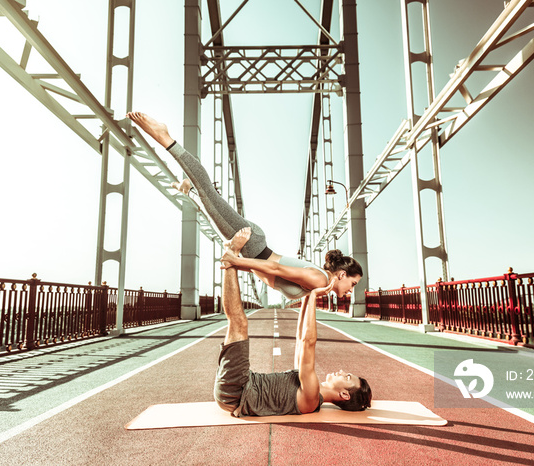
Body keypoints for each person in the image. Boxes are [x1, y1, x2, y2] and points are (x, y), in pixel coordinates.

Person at [126, 111, 363, 300]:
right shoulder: (320, 280)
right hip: (252, 244)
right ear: (342, 274)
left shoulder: (321, 285)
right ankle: (165, 138)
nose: (351, 291)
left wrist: (239, 263)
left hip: (254, 249)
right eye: (352, 284)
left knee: (209, 207)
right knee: (210, 195)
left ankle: (189, 190)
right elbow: (277, 271)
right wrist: (237, 261)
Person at [214, 228, 371, 416]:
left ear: (344, 394)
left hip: (237, 391)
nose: (341, 371)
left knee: (239, 323)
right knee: (238, 323)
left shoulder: (312, 397)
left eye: (347, 377)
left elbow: (308, 343)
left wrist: (313, 297)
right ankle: (231, 258)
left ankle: (230, 258)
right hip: (240, 386)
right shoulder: (307, 385)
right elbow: (300, 338)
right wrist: (308, 294)